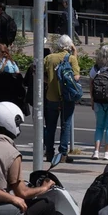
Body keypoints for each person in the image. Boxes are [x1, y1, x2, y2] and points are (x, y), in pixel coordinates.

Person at [43, 34, 81, 162]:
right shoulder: (71, 59)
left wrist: (50, 81)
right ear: (69, 46)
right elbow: (76, 77)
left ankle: (49, 153)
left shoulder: (49, 58)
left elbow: (39, 74)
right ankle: (63, 154)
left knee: (50, 126)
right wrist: (75, 51)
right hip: (67, 97)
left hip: (51, 96)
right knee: (66, 125)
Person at [89, 45, 108, 160]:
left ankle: (96, 151)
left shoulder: (95, 68)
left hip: (98, 101)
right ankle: (107, 152)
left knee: (99, 126)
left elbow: (91, 84)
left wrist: (92, 99)